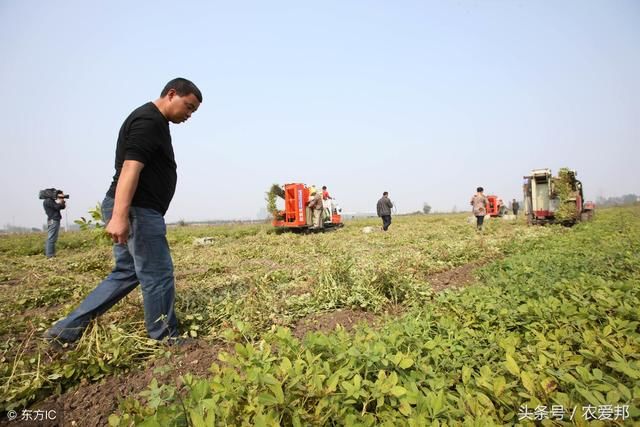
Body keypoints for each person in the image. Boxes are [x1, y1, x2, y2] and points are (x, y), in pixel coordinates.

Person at [45, 78, 202, 344]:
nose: (188, 115)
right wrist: (120, 215)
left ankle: (66, 330)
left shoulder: (154, 121)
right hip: (137, 210)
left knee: (126, 272)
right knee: (158, 274)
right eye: (188, 107)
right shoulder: (149, 121)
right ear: (172, 94)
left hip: (135, 209)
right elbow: (131, 167)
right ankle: (165, 337)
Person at [43, 190, 66, 258]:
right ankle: (50, 255)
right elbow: (57, 207)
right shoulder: (48, 201)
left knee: (52, 238)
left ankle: (51, 254)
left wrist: (62, 201)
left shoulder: (50, 201)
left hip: (53, 220)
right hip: (53, 220)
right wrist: (61, 201)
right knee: (51, 238)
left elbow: (61, 207)